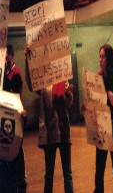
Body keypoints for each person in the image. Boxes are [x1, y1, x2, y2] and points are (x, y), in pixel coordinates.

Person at [24, 45, 74, 193]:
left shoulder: (62, 78)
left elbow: (68, 104)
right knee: (49, 174)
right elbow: (31, 83)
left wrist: (69, 95)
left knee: (68, 174)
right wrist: (27, 59)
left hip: (63, 130)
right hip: (49, 133)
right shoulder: (42, 82)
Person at [94, 44, 113, 193]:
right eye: (99, 56)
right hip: (101, 128)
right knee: (99, 167)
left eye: (103, 56)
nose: (100, 60)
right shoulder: (97, 78)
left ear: (109, 58)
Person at [0, 44, 27, 193]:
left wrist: (3, 75)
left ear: (11, 55)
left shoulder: (15, 73)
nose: (5, 58)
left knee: (17, 152)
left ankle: (21, 182)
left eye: (7, 55)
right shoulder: (5, 72)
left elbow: (13, 91)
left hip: (16, 118)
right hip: (5, 119)